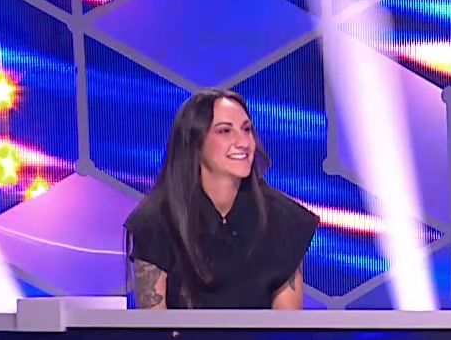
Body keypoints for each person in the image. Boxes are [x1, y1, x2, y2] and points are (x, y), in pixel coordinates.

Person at [126, 89, 318, 309]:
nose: (243, 142)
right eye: (225, 131)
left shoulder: (284, 220)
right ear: (195, 142)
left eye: (246, 129)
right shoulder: (156, 221)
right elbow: (153, 324)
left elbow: (285, 326)